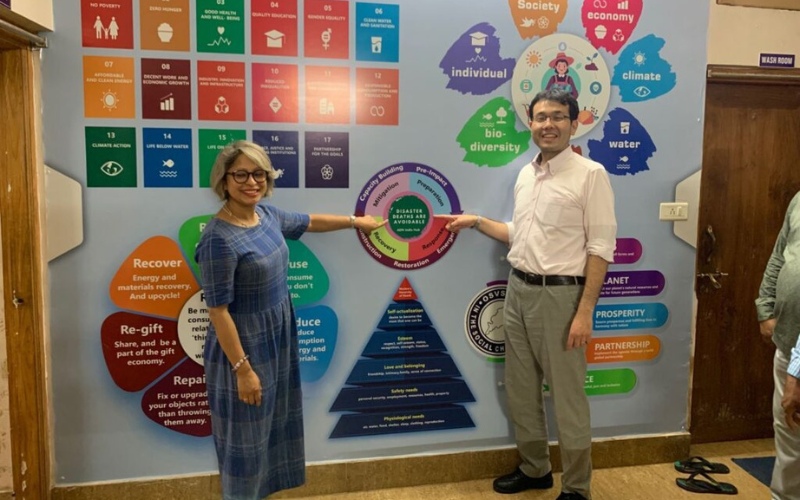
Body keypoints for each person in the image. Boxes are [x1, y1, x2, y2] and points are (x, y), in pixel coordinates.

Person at [440, 88, 616, 500]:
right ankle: (535, 469)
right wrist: (476, 221)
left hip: (562, 299)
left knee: (568, 399)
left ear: (574, 123)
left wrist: (585, 311)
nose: (548, 124)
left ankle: (577, 488)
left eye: (557, 116)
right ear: (531, 122)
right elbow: (520, 234)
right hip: (518, 289)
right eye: (541, 117)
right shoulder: (526, 175)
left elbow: (600, 249)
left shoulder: (590, 175)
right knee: (521, 391)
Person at [195, 140, 385, 500]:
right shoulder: (218, 239)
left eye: (259, 174)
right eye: (241, 175)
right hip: (244, 347)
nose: (252, 182)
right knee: (245, 439)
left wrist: (356, 222)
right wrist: (243, 370)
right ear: (224, 180)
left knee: (273, 428)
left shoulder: (266, 216)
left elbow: (310, 222)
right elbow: (218, 312)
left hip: (278, 337)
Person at [756, 192, 800, 500]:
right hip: (787, 341)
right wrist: (766, 306)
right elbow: (780, 254)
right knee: (789, 437)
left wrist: (796, 373)